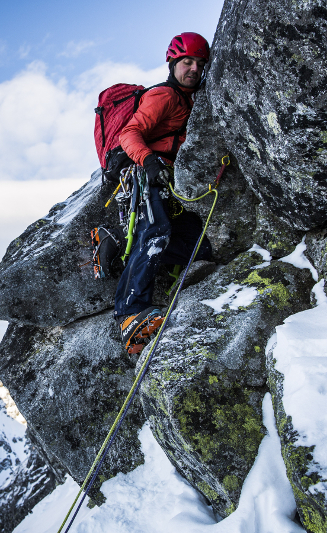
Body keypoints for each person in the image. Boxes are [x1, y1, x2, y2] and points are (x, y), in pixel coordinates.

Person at [114, 32, 213, 354]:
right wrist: (149, 161)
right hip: (146, 174)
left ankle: (117, 252)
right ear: (173, 63)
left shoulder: (192, 99)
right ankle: (130, 314)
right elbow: (130, 132)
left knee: (198, 246)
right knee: (155, 233)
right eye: (187, 62)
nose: (194, 69)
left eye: (200, 63)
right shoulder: (164, 96)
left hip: (168, 179)